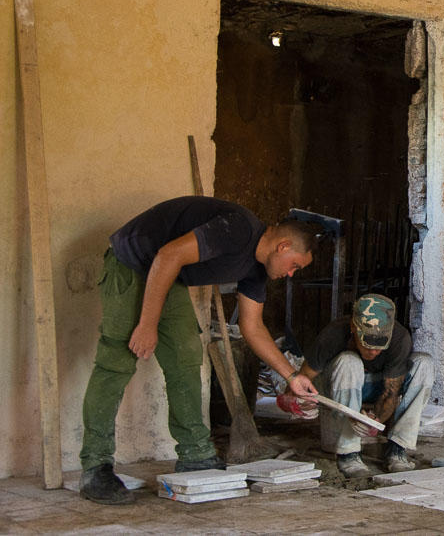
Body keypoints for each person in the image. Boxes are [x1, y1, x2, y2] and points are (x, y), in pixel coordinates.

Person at [79, 196, 321, 504]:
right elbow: (168, 255)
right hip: (132, 263)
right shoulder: (239, 228)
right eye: (295, 267)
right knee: (117, 363)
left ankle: (195, 454)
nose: (291, 274)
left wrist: (291, 376)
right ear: (283, 246)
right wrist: (147, 324)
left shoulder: (256, 270)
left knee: (185, 358)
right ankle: (95, 467)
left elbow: (252, 327)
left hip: (167, 275)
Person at [281, 293, 434, 478]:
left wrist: (374, 421)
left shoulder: (399, 338)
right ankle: (349, 453)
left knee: (424, 363)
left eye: (379, 346)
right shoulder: (333, 334)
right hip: (338, 386)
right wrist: (295, 401)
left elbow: (390, 393)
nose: (373, 351)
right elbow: (301, 381)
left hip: (375, 386)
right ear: (354, 326)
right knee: (349, 360)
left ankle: (397, 448)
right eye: (367, 343)